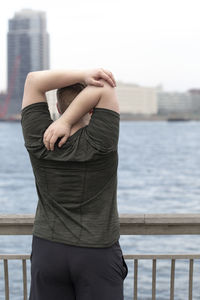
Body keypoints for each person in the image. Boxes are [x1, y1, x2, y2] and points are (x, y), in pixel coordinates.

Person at [21, 68, 128, 300]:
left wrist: (83, 76)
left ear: (57, 108)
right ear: (91, 108)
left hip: (47, 249)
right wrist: (68, 121)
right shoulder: (101, 142)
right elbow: (107, 88)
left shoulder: (39, 138)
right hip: (97, 252)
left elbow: (33, 80)